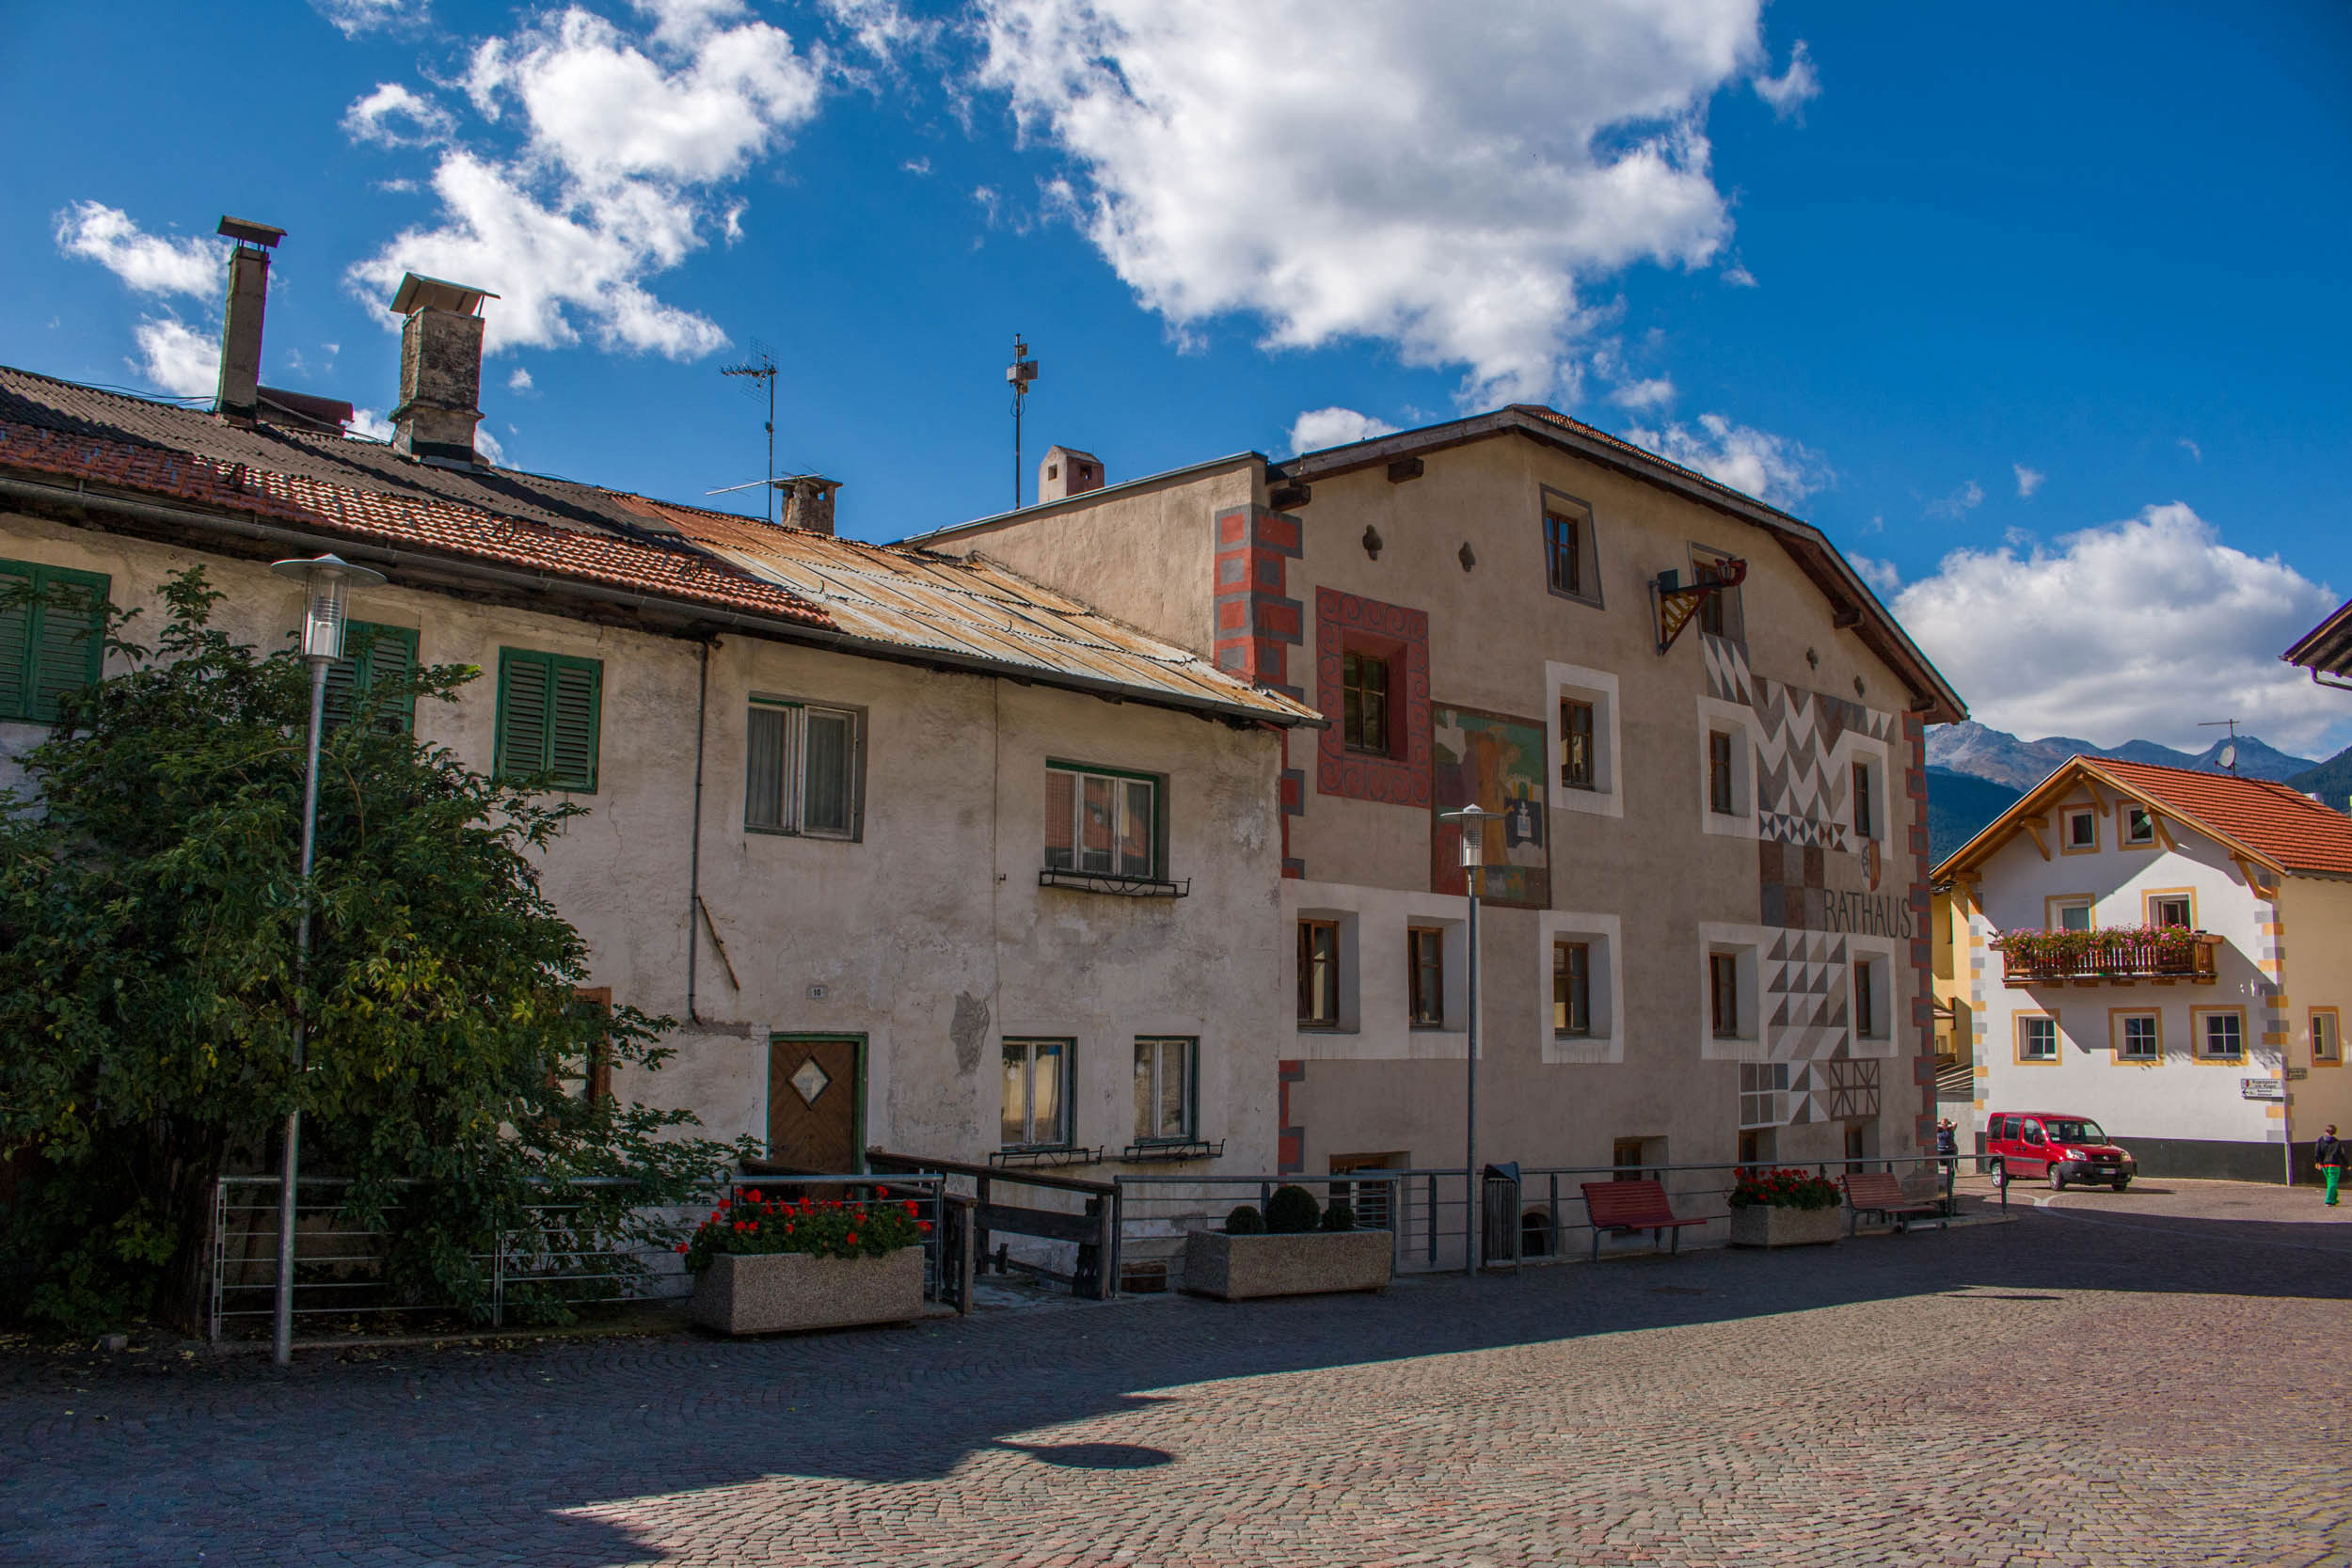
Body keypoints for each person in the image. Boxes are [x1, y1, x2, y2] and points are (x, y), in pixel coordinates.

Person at [2318, 1125, 2346, 1208]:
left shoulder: (2321, 1140)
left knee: (2330, 1182)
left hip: (2324, 1165)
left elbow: (2318, 1152)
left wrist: (2319, 1162)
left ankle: (2334, 1199)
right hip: (2334, 1165)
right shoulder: (2337, 1142)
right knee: (2333, 1183)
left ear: (2325, 1131)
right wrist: (2347, 1164)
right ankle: (2329, 1200)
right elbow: (2342, 1155)